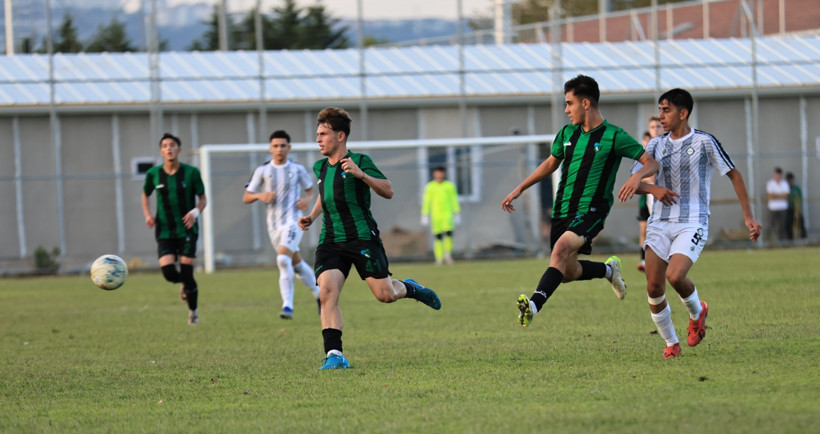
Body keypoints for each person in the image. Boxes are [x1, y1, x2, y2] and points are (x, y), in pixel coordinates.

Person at [501, 74, 661, 328]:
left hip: (592, 210)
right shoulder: (567, 134)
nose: (566, 110)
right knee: (565, 272)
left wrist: (637, 177)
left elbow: (652, 162)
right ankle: (608, 271)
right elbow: (549, 164)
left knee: (560, 249)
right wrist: (520, 188)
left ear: (585, 103)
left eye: (569, 103)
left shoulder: (614, 136)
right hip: (562, 210)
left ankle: (533, 305)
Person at [298, 107, 442, 370]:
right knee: (327, 290)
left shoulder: (361, 161)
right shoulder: (319, 166)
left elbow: (388, 190)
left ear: (340, 136)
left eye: (323, 134)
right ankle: (335, 354)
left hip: (363, 238)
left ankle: (410, 288)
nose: (318, 139)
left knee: (385, 295)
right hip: (330, 240)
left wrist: (361, 175)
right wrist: (312, 215)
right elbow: (325, 192)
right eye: (317, 134)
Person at [632, 88, 761, 359]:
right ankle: (671, 343)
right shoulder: (655, 144)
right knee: (654, 288)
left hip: (692, 221)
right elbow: (636, 183)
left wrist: (748, 216)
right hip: (659, 222)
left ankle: (697, 311)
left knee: (675, 276)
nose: (661, 115)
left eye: (666, 110)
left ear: (683, 112)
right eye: (660, 110)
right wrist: (652, 189)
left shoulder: (704, 142)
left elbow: (734, 175)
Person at [243, 130, 321, 319]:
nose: (279, 149)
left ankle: (288, 306)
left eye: (283, 146)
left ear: (289, 148)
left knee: (282, 260)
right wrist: (260, 195)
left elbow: (311, 190)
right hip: (273, 226)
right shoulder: (263, 171)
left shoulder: (297, 169)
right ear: (270, 148)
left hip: (293, 222)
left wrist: (307, 200)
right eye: (275, 146)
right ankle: (319, 294)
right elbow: (246, 196)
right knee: (296, 263)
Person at [141, 133, 207, 325]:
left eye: (172, 145)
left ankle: (193, 313)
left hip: (187, 229)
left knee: (187, 272)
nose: (168, 148)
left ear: (179, 149)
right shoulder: (153, 174)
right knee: (169, 273)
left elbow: (203, 198)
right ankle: (184, 285)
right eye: (165, 146)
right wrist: (147, 215)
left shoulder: (191, 173)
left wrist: (195, 211)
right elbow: (145, 195)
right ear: (161, 151)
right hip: (164, 230)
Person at [636, 116, 664, 272]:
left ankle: (664, 259)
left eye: (658, 126)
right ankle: (643, 259)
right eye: (652, 126)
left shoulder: (668, 147)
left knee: (662, 229)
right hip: (647, 194)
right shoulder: (645, 152)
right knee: (644, 228)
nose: (655, 129)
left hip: (663, 194)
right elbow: (638, 175)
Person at [421, 166, 461, 265]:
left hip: (447, 214)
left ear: (444, 174)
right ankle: (439, 257)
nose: (439, 175)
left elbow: (454, 199)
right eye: (437, 172)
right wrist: (424, 214)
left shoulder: (449, 186)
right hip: (436, 215)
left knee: (448, 234)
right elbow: (427, 201)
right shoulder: (430, 186)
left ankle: (448, 254)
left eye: (440, 172)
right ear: (434, 174)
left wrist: (457, 212)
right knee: (438, 237)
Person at [766, 167, 790, 245]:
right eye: (776, 174)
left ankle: (781, 242)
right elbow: (770, 195)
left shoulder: (785, 183)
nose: (778, 176)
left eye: (779, 175)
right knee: (771, 225)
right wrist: (780, 195)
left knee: (782, 226)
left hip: (782, 208)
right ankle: (769, 242)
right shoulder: (770, 183)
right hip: (773, 208)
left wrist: (775, 195)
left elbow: (786, 196)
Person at [785, 172, 806, 240]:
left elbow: (799, 198)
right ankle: (790, 239)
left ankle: (804, 238)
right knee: (788, 224)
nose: (789, 182)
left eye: (790, 180)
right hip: (788, 210)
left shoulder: (796, 189)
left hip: (796, 209)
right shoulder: (785, 188)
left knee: (801, 222)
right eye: (788, 180)